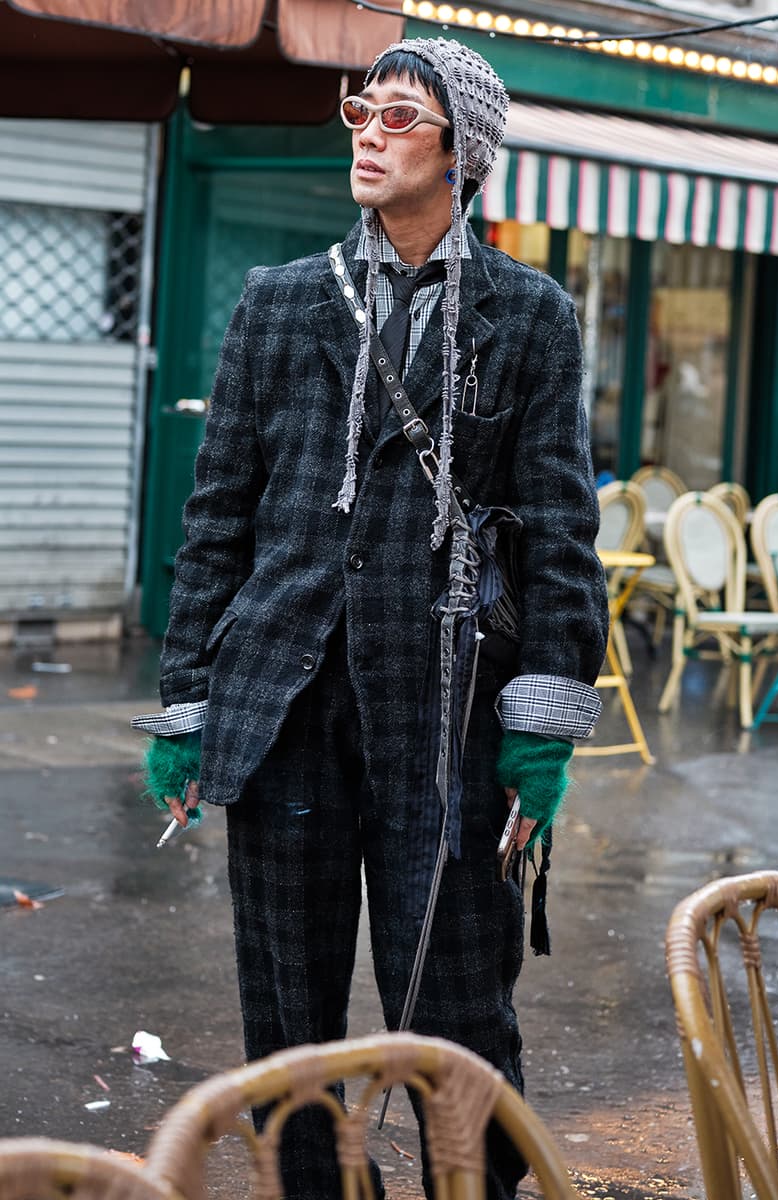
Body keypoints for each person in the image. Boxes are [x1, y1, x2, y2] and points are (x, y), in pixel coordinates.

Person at [135, 36, 608, 1200]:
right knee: (287, 1016)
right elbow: (217, 513)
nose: (367, 131)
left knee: (454, 1005)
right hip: (283, 698)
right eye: (362, 109)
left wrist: (542, 721)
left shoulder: (528, 314)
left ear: (464, 153)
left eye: (401, 115)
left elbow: (557, 527)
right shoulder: (281, 300)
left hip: (444, 705)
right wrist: (185, 700)